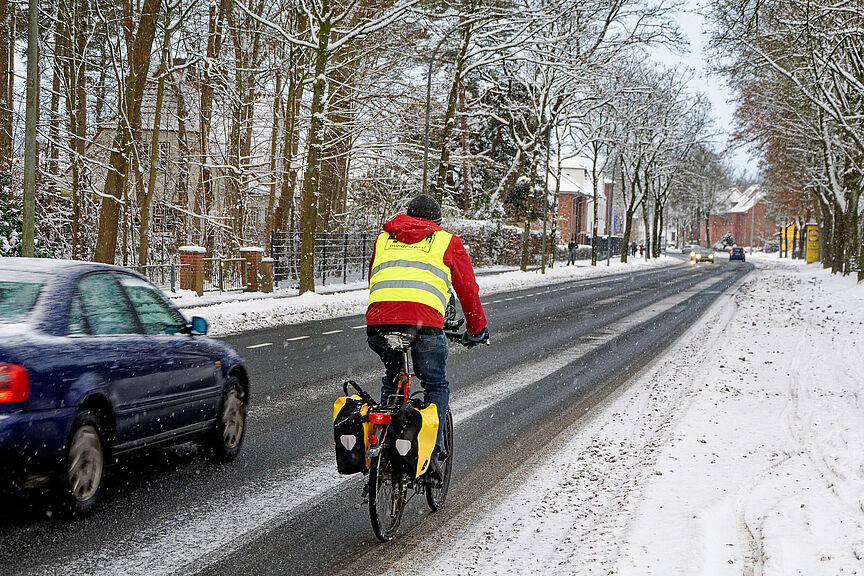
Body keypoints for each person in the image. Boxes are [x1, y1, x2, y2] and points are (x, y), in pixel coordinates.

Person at [366, 194, 488, 481]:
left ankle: (380, 452)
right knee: (436, 383)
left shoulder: (383, 239)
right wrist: (476, 330)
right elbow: (468, 291)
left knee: (393, 376)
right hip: (425, 325)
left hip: (379, 322)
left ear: (407, 217)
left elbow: (376, 279)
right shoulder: (447, 242)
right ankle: (433, 455)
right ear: (437, 222)